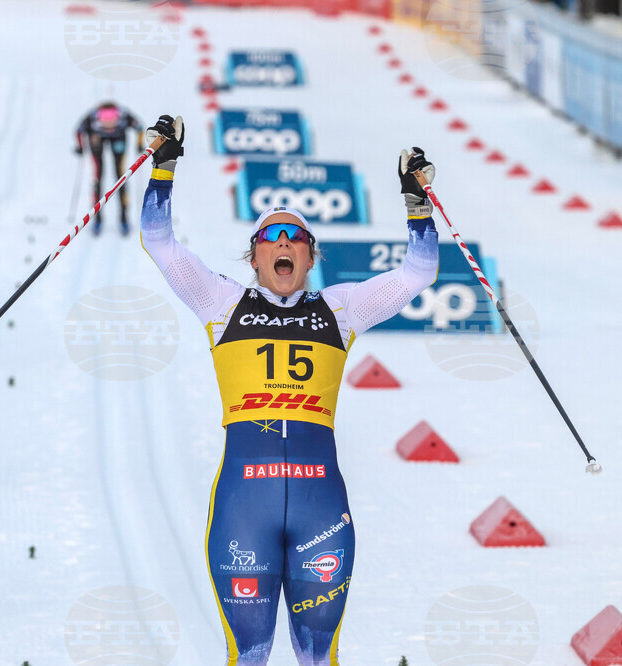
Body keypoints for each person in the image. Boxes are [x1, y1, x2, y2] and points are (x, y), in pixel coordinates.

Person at [139, 115, 439, 664]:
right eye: (270, 237)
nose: (283, 244)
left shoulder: (341, 309)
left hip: (319, 508)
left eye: (295, 237)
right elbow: (158, 241)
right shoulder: (221, 302)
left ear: (310, 255)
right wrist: (165, 165)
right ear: (254, 257)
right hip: (242, 507)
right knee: (249, 656)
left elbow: (417, 274)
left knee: (318, 659)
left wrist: (416, 200)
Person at [74, 101, 142, 236]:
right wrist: (80, 147)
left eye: (112, 123)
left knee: (121, 177)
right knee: (98, 176)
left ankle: (124, 218)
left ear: (117, 119)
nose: (109, 127)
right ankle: (97, 219)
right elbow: (79, 130)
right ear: (99, 120)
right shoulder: (92, 119)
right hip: (96, 137)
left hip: (119, 137)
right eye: (105, 123)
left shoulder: (123, 116)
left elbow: (139, 127)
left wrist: (139, 144)